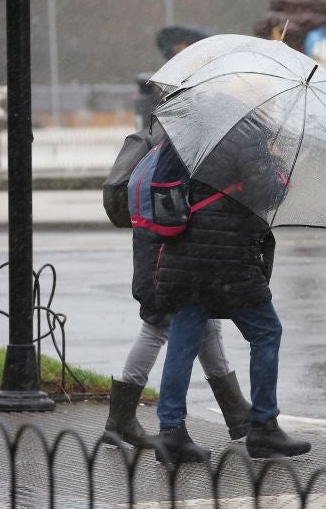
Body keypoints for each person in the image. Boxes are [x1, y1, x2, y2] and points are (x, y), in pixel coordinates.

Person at [152, 118, 310, 465]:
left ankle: (171, 430)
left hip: (186, 250)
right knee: (266, 331)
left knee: (184, 336)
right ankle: (264, 426)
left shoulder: (188, 130)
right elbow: (266, 193)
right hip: (226, 254)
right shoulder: (246, 131)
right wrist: (277, 162)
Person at [103, 124, 252, 449]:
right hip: (164, 250)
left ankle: (239, 417)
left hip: (153, 244)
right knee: (156, 327)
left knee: (203, 323)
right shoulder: (178, 143)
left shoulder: (159, 138)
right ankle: (121, 420)